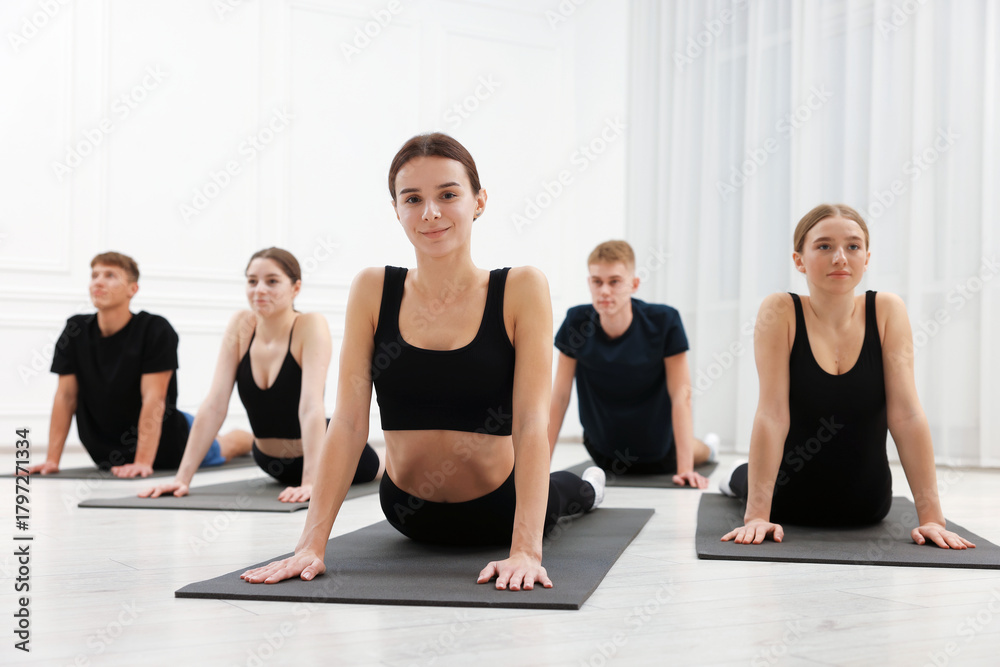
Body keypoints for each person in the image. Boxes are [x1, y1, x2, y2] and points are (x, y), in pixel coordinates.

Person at [240, 133, 604, 591]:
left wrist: (526, 551)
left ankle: (589, 486)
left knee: (567, 492)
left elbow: (532, 423)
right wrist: (309, 546)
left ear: (479, 201)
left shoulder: (521, 287)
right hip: (406, 512)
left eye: (448, 195)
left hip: (500, 507)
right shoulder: (373, 289)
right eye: (413, 199)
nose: (430, 212)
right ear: (397, 209)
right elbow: (348, 423)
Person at [720, 204, 975, 550]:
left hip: (866, 505)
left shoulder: (887, 310)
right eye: (824, 246)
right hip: (786, 500)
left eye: (853, 246)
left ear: (866, 258)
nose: (840, 258)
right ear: (799, 260)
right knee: (742, 477)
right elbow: (772, 414)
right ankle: (737, 474)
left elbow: (907, 415)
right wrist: (756, 517)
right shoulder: (781, 310)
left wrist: (932, 519)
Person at [140, 248, 383, 503]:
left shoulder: (310, 325)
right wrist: (182, 479)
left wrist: (312, 482)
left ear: (296, 288)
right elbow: (214, 404)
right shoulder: (241, 324)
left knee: (391, 470)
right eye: (252, 281)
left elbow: (311, 406)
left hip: (330, 457)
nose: (260, 290)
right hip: (269, 461)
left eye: (272, 281)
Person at [26, 252, 246, 478]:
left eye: (110, 275)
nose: (98, 282)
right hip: (107, 450)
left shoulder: (155, 329)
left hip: (168, 444)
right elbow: (66, 397)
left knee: (228, 444)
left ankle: (254, 440)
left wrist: (142, 462)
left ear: (133, 289)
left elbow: (154, 398)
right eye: (94, 275)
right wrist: (52, 460)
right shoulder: (75, 330)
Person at [548, 240, 718, 489]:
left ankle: (711, 448)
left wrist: (685, 470)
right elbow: (560, 397)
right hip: (603, 452)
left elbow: (681, 395)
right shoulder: (576, 322)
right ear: (589, 283)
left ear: (634, 284)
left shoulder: (664, 321)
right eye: (597, 281)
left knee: (699, 450)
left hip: (661, 450)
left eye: (614, 281)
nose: (605, 290)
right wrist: (539, 468)